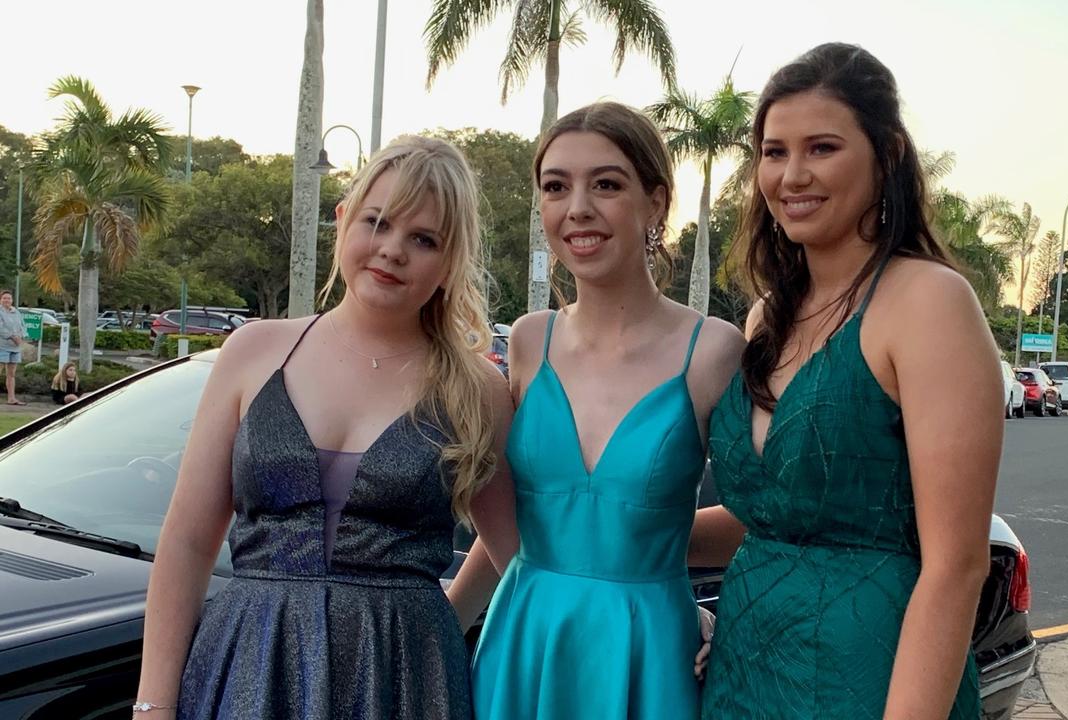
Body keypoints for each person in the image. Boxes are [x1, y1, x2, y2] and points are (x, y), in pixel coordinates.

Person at [132, 135, 518, 720]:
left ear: (449, 262)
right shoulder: (254, 351)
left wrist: (449, 615)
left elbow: (515, 544)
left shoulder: (477, 390)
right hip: (249, 664)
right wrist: (152, 703)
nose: (392, 250)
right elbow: (187, 540)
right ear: (343, 220)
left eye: (423, 239)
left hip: (405, 677)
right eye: (378, 222)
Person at [695, 43, 1003, 719]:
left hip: (872, 676)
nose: (792, 174)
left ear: (887, 154)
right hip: (745, 667)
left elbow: (957, 567)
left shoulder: (927, 302)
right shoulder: (765, 318)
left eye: (822, 148)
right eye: (774, 152)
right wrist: (614, 527)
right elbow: (770, 518)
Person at [446, 102, 744, 720]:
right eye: (556, 187)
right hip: (525, 642)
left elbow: (759, 519)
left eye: (605, 184)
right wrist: (444, 625)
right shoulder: (529, 341)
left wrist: (666, 567)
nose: (577, 207)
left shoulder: (713, 351)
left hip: (651, 651)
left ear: (656, 203)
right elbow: (511, 521)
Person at [0, 290, 26, 406]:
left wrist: (21, 337)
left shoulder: (17, 312)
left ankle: (11, 398)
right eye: (4, 298)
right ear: (1, 300)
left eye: (9, 298)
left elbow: (22, 326)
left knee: (11, 374)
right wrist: (12, 336)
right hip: (2, 346)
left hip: (15, 348)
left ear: (12, 300)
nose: (7, 300)